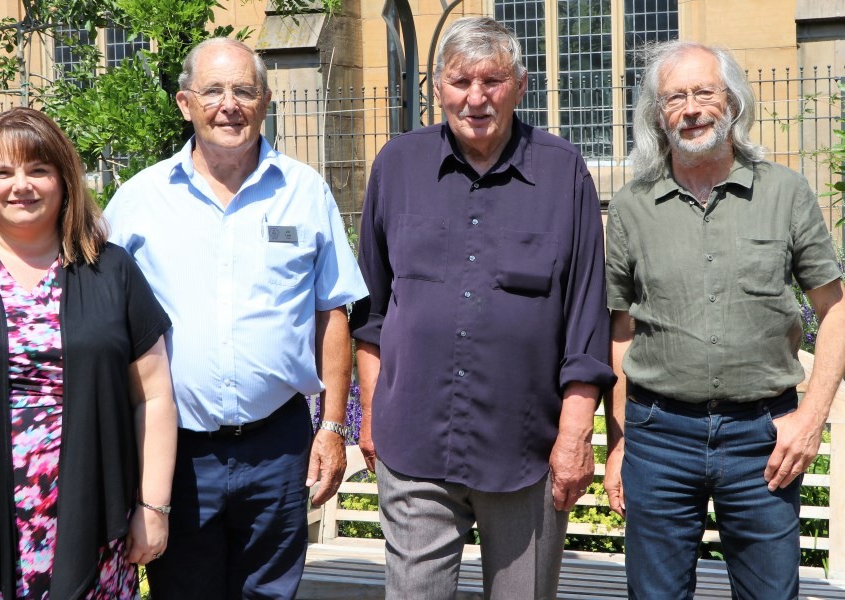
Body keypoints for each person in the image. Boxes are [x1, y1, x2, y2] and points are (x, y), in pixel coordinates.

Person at [349, 17, 615, 599]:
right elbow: (368, 314)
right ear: (437, 88)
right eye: (458, 81)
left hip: (528, 448)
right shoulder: (397, 165)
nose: (475, 97)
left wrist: (574, 436)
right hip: (413, 441)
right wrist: (370, 417)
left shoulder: (562, 171)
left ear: (520, 85)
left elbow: (586, 319)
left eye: (492, 80)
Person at [104, 37, 367, 599]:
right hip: (176, 452)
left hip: (278, 447)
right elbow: (99, 321)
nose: (230, 104)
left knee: (270, 593)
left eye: (245, 91)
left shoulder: (305, 192)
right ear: (185, 103)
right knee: (182, 590)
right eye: (214, 90)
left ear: (266, 102)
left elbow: (333, 314)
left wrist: (333, 428)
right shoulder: (138, 201)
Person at [0, 107, 176, 599]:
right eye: (3, 172)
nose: (21, 185)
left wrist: (153, 507)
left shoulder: (112, 269)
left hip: (92, 519)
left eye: (38, 169)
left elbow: (154, 396)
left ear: (64, 178)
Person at [604, 40, 845, 599]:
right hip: (657, 438)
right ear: (656, 115)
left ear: (731, 100)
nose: (691, 109)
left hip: (763, 440)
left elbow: (835, 310)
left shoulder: (784, 193)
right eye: (674, 97)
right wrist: (619, 442)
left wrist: (810, 419)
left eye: (704, 92)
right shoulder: (632, 206)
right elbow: (621, 330)